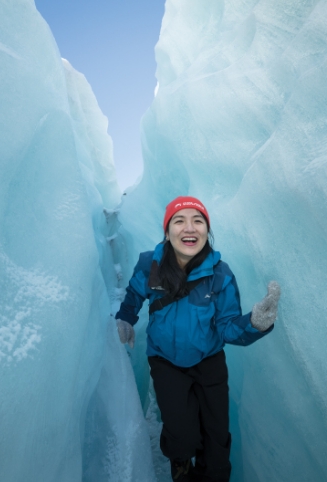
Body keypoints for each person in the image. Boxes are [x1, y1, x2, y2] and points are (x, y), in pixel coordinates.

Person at [115, 196, 280, 482]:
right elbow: (134, 295)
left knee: (216, 437)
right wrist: (126, 318)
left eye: (198, 221)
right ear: (167, 232)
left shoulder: (221, 275)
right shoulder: (150, 265)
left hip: (208, 360)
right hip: (165, 360)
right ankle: (180, 463)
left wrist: (255, 323)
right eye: (179, 221)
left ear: (207, 230)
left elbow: (228, 327)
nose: (189, 228)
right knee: (181, 433)